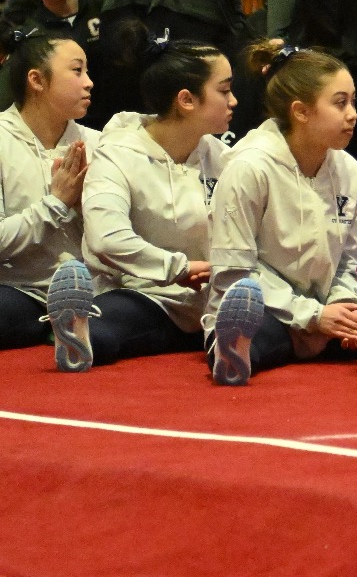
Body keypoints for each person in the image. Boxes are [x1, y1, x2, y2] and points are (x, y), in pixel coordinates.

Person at [49, 41, 235, 370]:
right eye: (224, 90)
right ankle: (76, 333)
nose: (233, 101)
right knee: (104, 332)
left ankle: (234, 350)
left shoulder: (223, 158)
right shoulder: (117, 154)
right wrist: (177, 267)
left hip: (213, 301)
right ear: (186, 100)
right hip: (143, 295)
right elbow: (107, 239)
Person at [204, 45, 357, 385]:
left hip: (324, 308)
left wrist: (345, 306)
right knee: (254, 338)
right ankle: (230, 351)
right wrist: (312, 316)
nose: (352, 114)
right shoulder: (249, 167)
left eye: (353, 101)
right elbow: (235, 270)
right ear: (301, 111)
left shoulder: (351, 171)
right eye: (340, 103)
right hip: (266, 309)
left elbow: (347, 261)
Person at [0, 35, 95, 349]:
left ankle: (66, 326)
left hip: (92, 293)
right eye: (77, 71)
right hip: (18, 289)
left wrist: (85, 208)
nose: (89, 82)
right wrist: (56, 204)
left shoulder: (100, 142)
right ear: (36, 80)